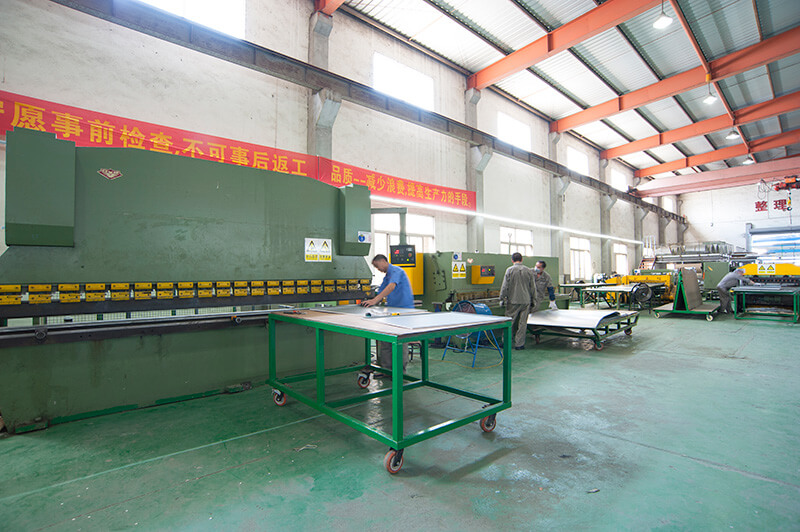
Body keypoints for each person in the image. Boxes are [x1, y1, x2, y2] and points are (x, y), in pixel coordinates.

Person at [361, 254, 414, 375]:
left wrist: (374, 300)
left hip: (404, 312)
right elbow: (380, 291)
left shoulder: (396, 271)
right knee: (386, 340)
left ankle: (400, 372)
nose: (378, 269)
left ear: (383, 261)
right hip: (392, 312)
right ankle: (386, 370)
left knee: (400, 342)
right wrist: (370, 301)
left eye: (377, 266)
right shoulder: (387, 276)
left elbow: (391, 286)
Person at [499, 252, 537, 350]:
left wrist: (501, 298)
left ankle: (506, 342)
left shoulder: (510, 270)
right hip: (526, 301)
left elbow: (505, 286)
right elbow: (533, 287)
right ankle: (519, 344)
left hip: (513, 300)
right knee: (522, 323)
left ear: (512, 260)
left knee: (509, 322)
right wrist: (534, 300)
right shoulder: (528, 271)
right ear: (522, 259)